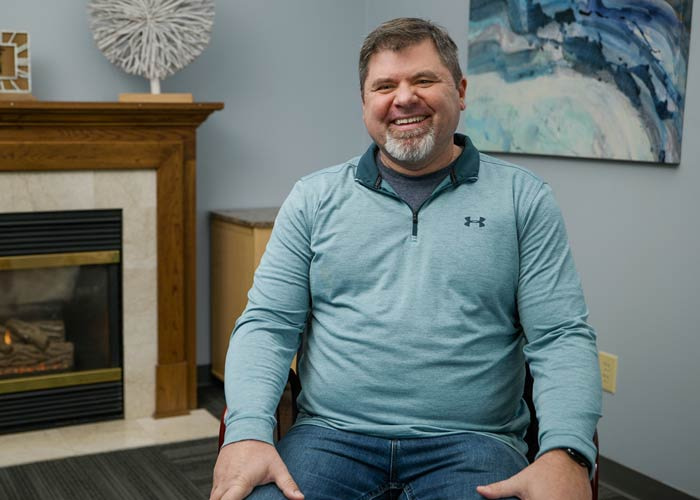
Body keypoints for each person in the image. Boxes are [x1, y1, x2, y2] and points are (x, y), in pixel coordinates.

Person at [211, 17, 602, 500]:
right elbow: (267, 325)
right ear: (364, 104)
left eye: (423, 80)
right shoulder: (312, 198)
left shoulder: (523, 200)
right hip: (330, 438)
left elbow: (561, 337)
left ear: (460, 91)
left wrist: (566, 451)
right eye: (384, 86)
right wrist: (248, 432)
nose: (403, 98)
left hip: (474, 444)